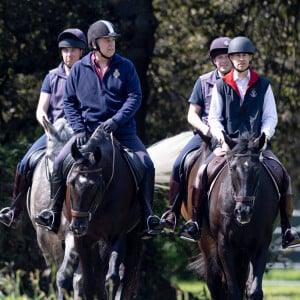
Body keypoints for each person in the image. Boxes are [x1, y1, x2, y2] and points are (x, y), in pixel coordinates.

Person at [34, 20, 163, 238]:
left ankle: (148, 216)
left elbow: (135, 97)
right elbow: (69, 102)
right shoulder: (79, 69)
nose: (111, 45)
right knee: (58, 164)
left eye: (113, 40)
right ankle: (53, 213)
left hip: (121, 132)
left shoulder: (125, 66)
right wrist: (79, 129)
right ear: (95, 44)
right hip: (88, 134)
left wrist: (117, 120)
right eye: (107, 41)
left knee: (147, 164)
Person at [181, 36, 300, 249]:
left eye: (244, 55)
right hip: (229, 145)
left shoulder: (263, 84)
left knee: (282, 174)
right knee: (201, 172)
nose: (240, 59)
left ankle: (287, 229)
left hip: (257, 145)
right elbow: (215, 117)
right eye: (236, 56)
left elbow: (270, 116)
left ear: (250, 58)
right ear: (232, 59)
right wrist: (221, 138)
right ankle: (195, 223)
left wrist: (264, 137)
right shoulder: (220, 85)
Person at [0, 28, 87, 228]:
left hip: (79, 133)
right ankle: (15, 211)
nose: (68, 54)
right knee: (24, 163)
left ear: (81, 51)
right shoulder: (51, 77)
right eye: (65, 50)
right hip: (54, 132)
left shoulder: (88, 76)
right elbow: (41, 109)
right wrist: (45, 123)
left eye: (73, 50)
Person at [160, 37, 232, 232]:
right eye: (219, 58)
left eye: (227, 57)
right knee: (180, 163)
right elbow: (192, 114)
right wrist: (206, 130)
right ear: (213, 61)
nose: (224, 61)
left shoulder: (241, 82)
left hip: (234, 138)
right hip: (206, 136)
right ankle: (172, 212)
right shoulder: (203, 82)